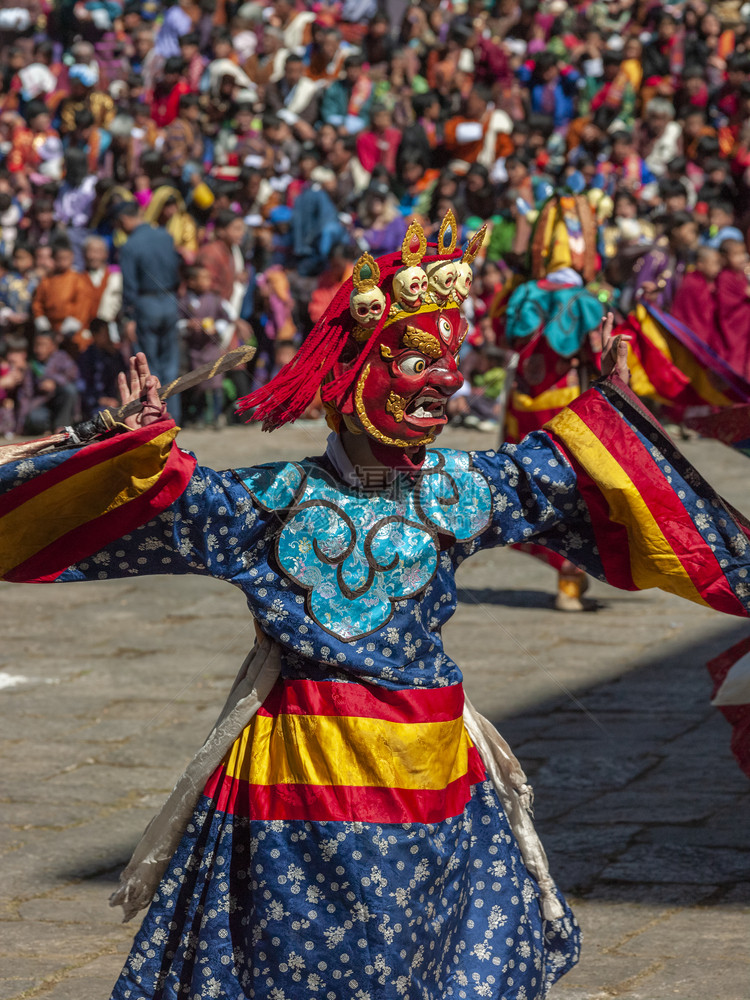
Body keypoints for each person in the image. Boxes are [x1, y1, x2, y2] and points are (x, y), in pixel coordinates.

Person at [4, 214, 750, 1000]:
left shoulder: (460, 490)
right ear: (355, 374)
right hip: (301, 779)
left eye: (451, 364)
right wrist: (120, 444)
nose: (446, 383)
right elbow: (164, 498)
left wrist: (611, 408)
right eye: (420, 362)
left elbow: (570, 474)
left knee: (440, 967)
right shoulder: (273, 502)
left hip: (432, 773)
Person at [116, 201, 181, 420]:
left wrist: (129, 316)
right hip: (170, 301)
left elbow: (129, 286)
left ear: (124, 220)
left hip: (145, 303)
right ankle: (175, 414)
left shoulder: (130, 245)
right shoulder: (165, 236)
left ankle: (157, 416)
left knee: (150, 364)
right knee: (171, 362)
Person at [14, 329, 80, 434]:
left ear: (53, 346)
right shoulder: (32, 364)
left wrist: (54, 382)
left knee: (70, 389)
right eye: (36, 345)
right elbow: (26, 393)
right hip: (42, 404)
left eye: (43, 345)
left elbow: (74, 376)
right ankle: (50, 427)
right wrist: (20, 422)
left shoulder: (63, 358)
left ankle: (61, 426)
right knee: (34, 419)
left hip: (61, 402)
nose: (38, 349)